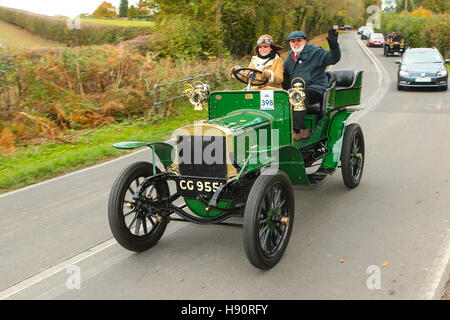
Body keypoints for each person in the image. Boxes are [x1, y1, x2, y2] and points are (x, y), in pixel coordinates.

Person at [282, 29, 341, 140]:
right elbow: (282, 74)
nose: (296, 43)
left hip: (315, 90)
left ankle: (298, 130)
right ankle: (287, 128)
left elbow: (333, 58)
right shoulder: (290, 58)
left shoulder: (315, 52)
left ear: (305, 41)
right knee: (280, 96)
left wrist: (334, 46)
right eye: (292, 41)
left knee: (299, 95)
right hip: (296, 92)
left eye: (298, 40)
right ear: (289, 43)